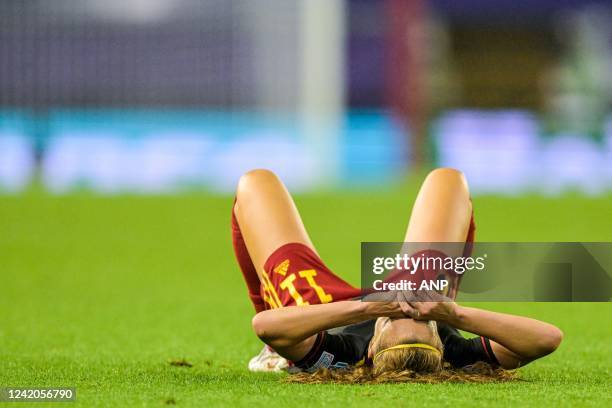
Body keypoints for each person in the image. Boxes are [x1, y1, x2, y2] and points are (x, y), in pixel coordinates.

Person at [231, 168, 563, 378]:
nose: (404, 307)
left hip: (324, 312)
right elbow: (548, 338)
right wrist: (455, 314)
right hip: (419, 291)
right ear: (439, 339)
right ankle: (438, 292)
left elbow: (265, 326)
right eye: (419, 317)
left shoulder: (343, 354)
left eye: (394, 317)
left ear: (372, 348)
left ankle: (275, 356)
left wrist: (367, 308)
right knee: (448, 180)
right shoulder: (458, 353)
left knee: (255, 184)